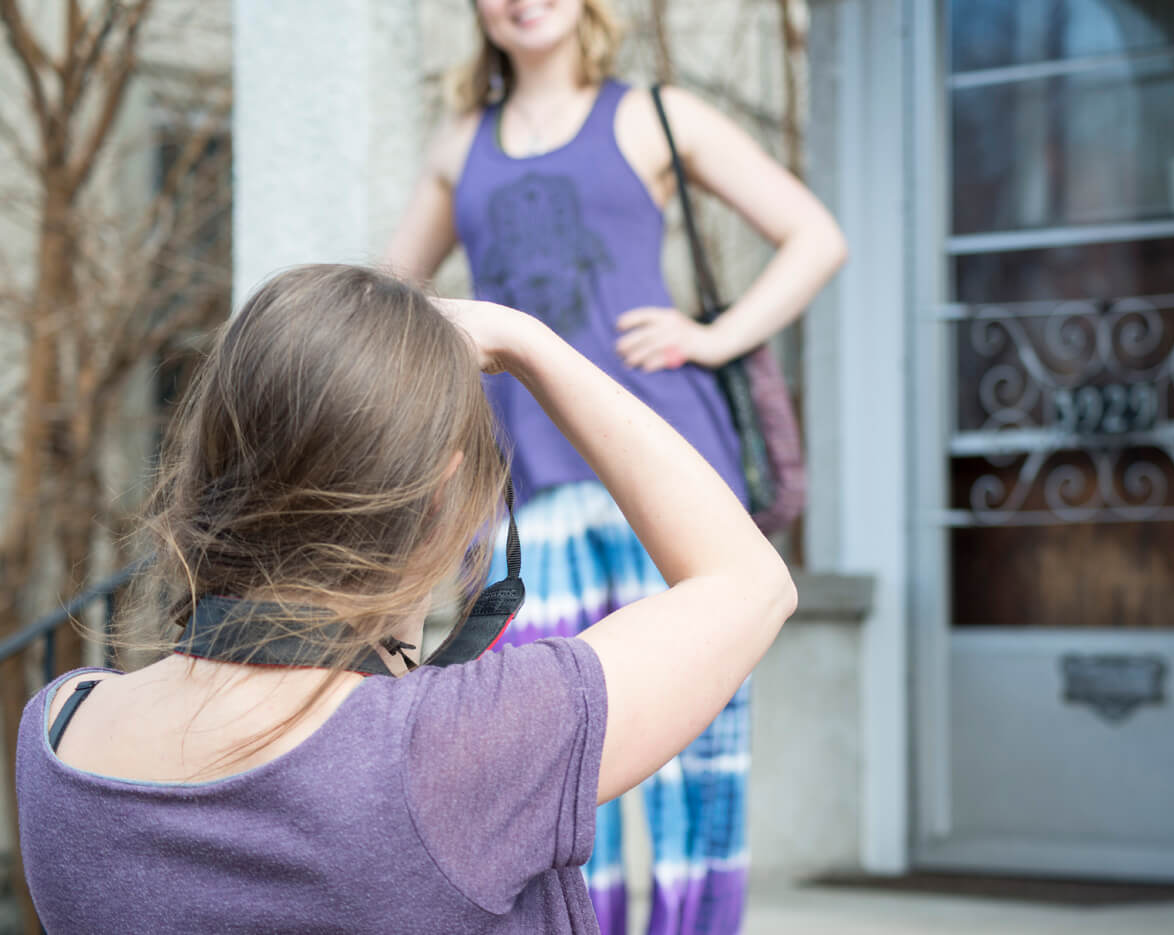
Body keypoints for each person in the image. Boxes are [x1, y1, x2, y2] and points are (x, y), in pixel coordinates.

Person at [14, 264, 796, 935]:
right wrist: (529, 343)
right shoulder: (451, 750)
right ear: (440, 496)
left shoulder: (60, 734)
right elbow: (749, 581)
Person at [384, 2, 845, 931]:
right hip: (522, 493)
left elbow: (815, 236)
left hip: (663, 472)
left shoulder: (651, 114)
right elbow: (387, 301)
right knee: (523, 754)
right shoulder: (458, 145)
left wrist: (714, 335)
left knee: (696, 756)